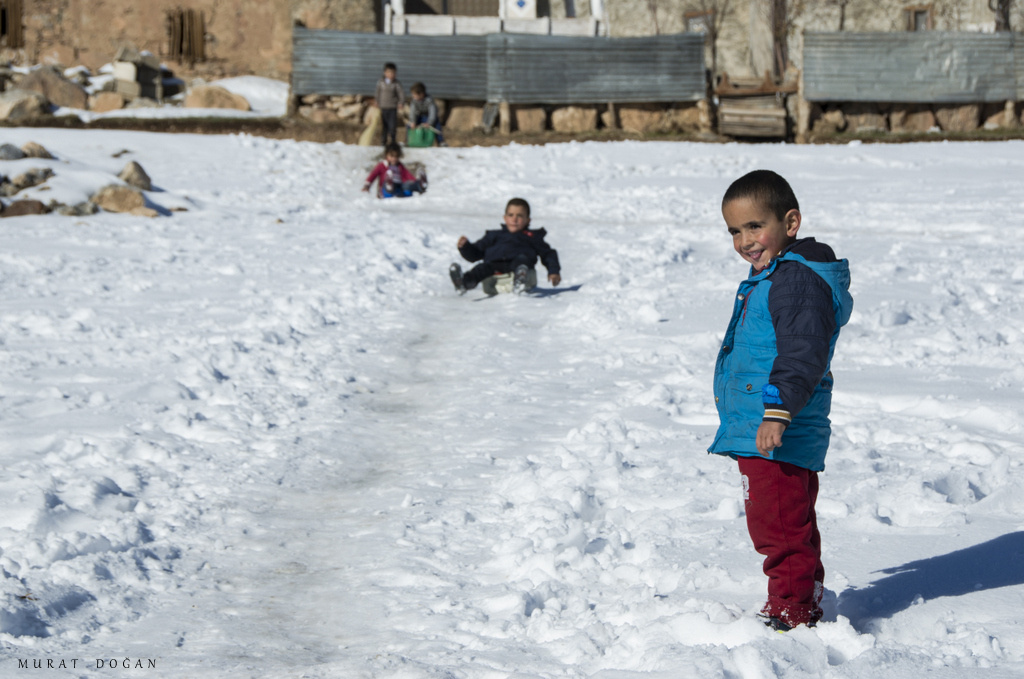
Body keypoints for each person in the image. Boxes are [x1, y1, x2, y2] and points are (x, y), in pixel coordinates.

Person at [709, 169, 853, 632]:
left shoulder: (794, 281)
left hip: (776, 428)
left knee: (778, 527)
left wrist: (777, 411)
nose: (744, 241)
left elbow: (801, 353)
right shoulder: (780, 275)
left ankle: (790, 611)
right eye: (734, 231)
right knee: (790, 520)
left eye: (755, 226)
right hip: (773, 425)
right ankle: (804, 594)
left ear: (790, 222)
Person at [449, 198, 561, 294]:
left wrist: (553, 271)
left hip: (519, 265)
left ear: (528, 220)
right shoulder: (493, 235)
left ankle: (520, 279)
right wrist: (465, 247)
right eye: (511, 215)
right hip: (494, 267)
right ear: (505, 218)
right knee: (481, 268)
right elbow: (475, 253)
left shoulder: (532, 236)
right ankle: (463, 283)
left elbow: (548, 254)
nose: (514, 219)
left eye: (520, 216)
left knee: (522, 260)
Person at [362, 143, 426, 198]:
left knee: (407, 185)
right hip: (385, 191)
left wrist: (414, 182)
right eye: (392, 156)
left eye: (396, 156)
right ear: (386, 155)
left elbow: (408, 175)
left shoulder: (400, 166)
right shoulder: (382, 165)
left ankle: (420, 185)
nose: (394, 158)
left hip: (399, 188)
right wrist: (367, 185)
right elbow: (373, 175)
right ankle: (389, 184)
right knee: (388, 185)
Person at [407, 82, 446, 147]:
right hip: (419, 116)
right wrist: (413, 121)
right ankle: (408, 141)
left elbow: (432, 112)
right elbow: (412, 112)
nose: (413, 96)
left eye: (415, 94)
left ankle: (441, 141)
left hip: (428, 116)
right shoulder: (414, 101)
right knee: (409, 125)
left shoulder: (429, 100)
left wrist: (429, 123)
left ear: (421, 94)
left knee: (437, 125)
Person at [375, 62, 404, 147]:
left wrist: (401, 102)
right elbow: (377, 93)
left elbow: (401, 94)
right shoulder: (380, 83)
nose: (391, 75)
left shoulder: (396, 84)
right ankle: (383, 141)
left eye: (393, 73)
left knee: (392, 125)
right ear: (385, 73)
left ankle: (393, 141)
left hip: (392, 108)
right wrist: (377, 101)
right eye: (389, 73)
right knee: (384, 126)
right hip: (383, 107)